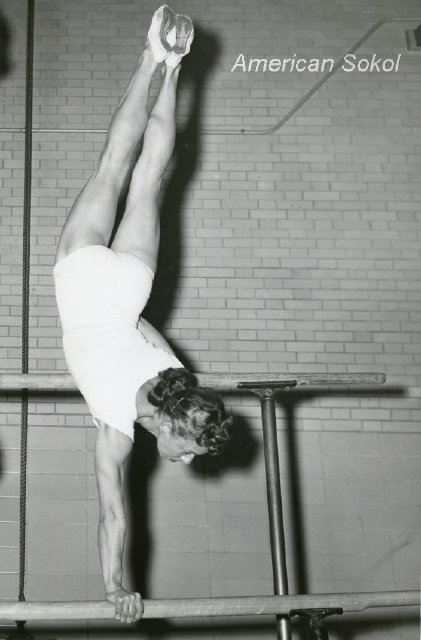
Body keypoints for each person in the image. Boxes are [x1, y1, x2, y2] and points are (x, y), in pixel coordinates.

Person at [53, 5, 232, 624]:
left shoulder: (175, 372)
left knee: (143, 175)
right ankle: (155, 58)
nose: (183, 462)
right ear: (172, 431)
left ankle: (170, 63)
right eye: (189, 454)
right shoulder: (117, 428)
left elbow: (141, 328)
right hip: (79, 279)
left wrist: (123, 317)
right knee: (116, 166)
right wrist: (114, 585)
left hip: (130, 286)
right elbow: (112, 514)